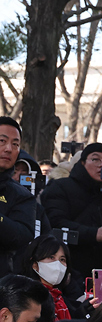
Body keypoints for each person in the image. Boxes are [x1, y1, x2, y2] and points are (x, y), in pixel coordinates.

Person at [40, 143, 102, 284]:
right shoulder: (61, 187)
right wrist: (94, 234)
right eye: (95, 159)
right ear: (83, 163)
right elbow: (55, 224)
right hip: (69, 269)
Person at [0, 117, 37, 278]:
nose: (9, 149)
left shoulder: (22, 196)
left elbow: (21, 236)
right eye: (2, 141)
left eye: (15, 144)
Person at [18, 234, 83, 320]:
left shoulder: (59, 298)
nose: (58, 264)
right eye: (51, 257)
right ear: (34, 264)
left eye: (62, 259)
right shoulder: (28, 298)